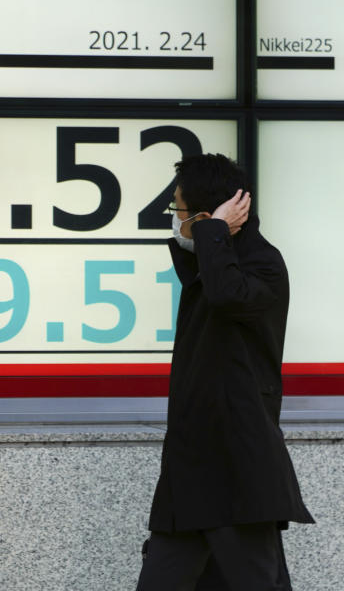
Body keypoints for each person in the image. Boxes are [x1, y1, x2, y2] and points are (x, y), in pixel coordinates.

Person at [136, 154, 314, 591]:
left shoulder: (263, 266)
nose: (174, 221)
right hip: (191, 474)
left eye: (179, 211)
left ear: (206, 216)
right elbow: (203, 274)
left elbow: (227, 295)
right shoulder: (214, 264)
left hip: (237, 472)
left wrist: (210, 228)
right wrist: (203, 233)